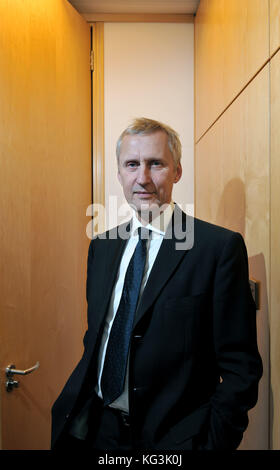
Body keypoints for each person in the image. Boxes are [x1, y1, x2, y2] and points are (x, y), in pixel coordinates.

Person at [51, 117, 262, 451]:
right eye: (132, 165)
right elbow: (99, 336)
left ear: (177, 171)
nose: (143, 178)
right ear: (119, 173)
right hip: (98, 431)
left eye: (156, 164)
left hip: (174, 439)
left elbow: (241, 370)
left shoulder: (217, 249)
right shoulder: (102, 248)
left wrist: (211, 443)